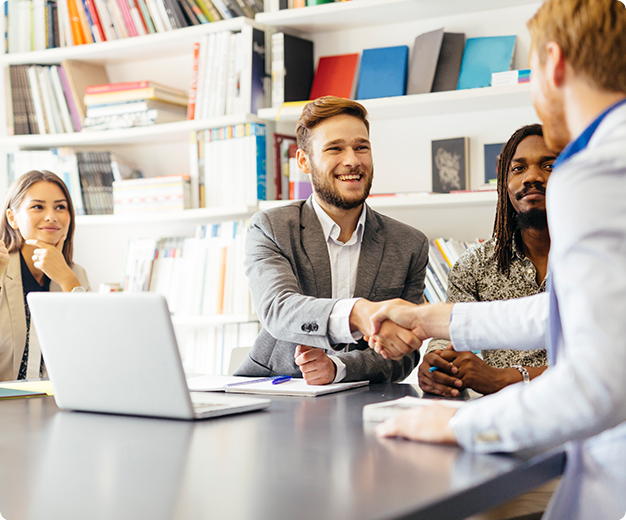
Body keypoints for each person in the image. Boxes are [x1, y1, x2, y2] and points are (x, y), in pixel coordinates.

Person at [369, 0, 626, 517]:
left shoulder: (596, 169)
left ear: (553, 64)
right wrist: (427, 319)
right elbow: (562, 308)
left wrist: (460, 426)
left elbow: (600, 383)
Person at [234, 96, 428, 384]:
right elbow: (279, 309)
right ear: (304, 161)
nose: (352, 160)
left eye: (361, 147)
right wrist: (358, 313)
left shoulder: (410, 244)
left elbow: (404, 353)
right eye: (334, 148)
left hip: (361, 397)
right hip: (274, 388)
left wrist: (339, 367)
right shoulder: (271, 228)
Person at [421, 124, 555, 397]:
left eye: (549, 166)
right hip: (496, 421)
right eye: (518, 169)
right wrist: (436, 365)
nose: (532, 177)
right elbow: (447, 336)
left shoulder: (599, 257)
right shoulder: (474, 265)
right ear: (504, 186)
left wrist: (506, 378)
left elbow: (608, 359)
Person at [0, 170, 91, 382]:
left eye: (60, 207)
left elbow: (93, 348)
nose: (51, 216)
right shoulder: (2, 268)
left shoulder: (77, 276)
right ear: (12, 218)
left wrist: (68, 281)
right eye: (37, 207)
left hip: (56, 404)